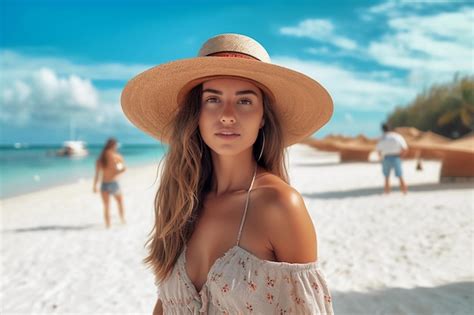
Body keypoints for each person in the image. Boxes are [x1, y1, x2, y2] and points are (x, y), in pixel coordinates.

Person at [121, 33, 334, 314]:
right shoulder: (182, 202)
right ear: (196, 113)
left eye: (244, 101)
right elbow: (164, 306)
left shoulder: (280, 206)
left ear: (262, 119)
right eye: (213, 99)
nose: (227, 115)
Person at [93, 137, 127, 228]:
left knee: (106, 206)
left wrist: (94, 186)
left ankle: (108, 225)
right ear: (114, 145)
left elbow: (97, 175)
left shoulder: (100, 158)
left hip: (104, 184)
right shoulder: (117, 157)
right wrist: (122, 170)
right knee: (120, 202)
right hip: (114, 183)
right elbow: (120, 170)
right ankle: (122, 219)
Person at [376, 123, 409, 194]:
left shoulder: (382, 138)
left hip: (386, 158)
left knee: (386, 177)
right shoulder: (397, 136)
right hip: (396, 157)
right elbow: (405, 148)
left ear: (382, 130)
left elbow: (378, 151)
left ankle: (387, 192)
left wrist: (380, 158)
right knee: (400, 176)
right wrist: (401, 157)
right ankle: (404, 191)